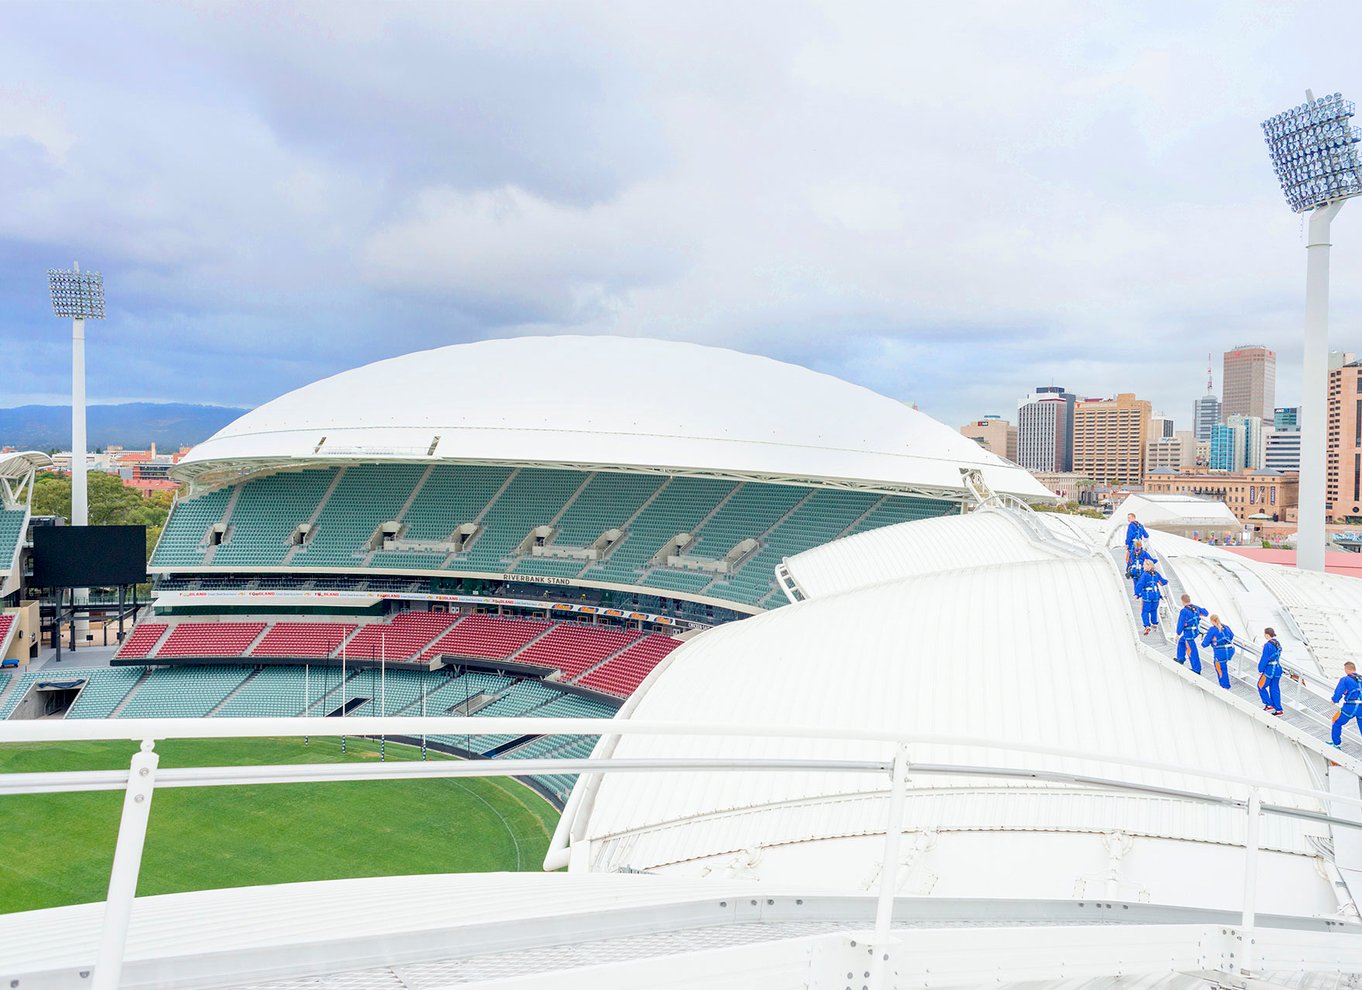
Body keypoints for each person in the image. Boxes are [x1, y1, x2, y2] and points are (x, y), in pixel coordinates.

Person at [1331, 661, 1362, 748]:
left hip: (1351, 706)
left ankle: (1336, 744)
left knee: (1336, 722)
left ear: (1347, 669)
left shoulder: (1345, 679)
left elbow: (1339, 691)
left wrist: (1334, 700)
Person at [1175, 594, 1207, 673]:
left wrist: (1178, 633)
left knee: (1191, 650)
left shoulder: (1184, 611)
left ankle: (1196, 669)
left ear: (1182, 601)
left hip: (1189, 633)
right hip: (1195, 631)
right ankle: (1180, 658)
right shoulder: (1196, 608)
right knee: (1182, 641)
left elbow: (1181, 623)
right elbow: (1206, 613)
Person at [1201, 615, 1235, 689]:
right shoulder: (1226, 627)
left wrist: (1209, 643)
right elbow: (1232, 636)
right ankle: (1225, 684)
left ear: (1212, 621)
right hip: (1230, 650)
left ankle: (1225, 685)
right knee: (1223, 666)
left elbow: (1205, 643)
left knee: (1220, 668)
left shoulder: (1212, 629)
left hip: (1221, 652)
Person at [1135, 558, 1168, 635]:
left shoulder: (1145, 574)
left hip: (1147, 595)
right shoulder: (1156, 574)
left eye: (1144, 565)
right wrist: (1167, 581)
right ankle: (1154, 623)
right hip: (1156, 595)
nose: (1143, 566)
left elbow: (1140, 584)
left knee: (1145, 611)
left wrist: (1137, 594)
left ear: (1148, 565)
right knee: (1154, 610)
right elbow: (1163, 582)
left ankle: (1147, 625)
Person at [1257, 628, 1283, 716]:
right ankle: (1279, 710)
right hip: (1278, 669)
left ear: (1267, 635)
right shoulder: (1278, 643)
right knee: (1274, 688)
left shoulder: (1267, 645)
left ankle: (1269, 704)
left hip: (1270, 670)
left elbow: (1264, 658)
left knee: (1260, 686)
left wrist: (1260, 669)